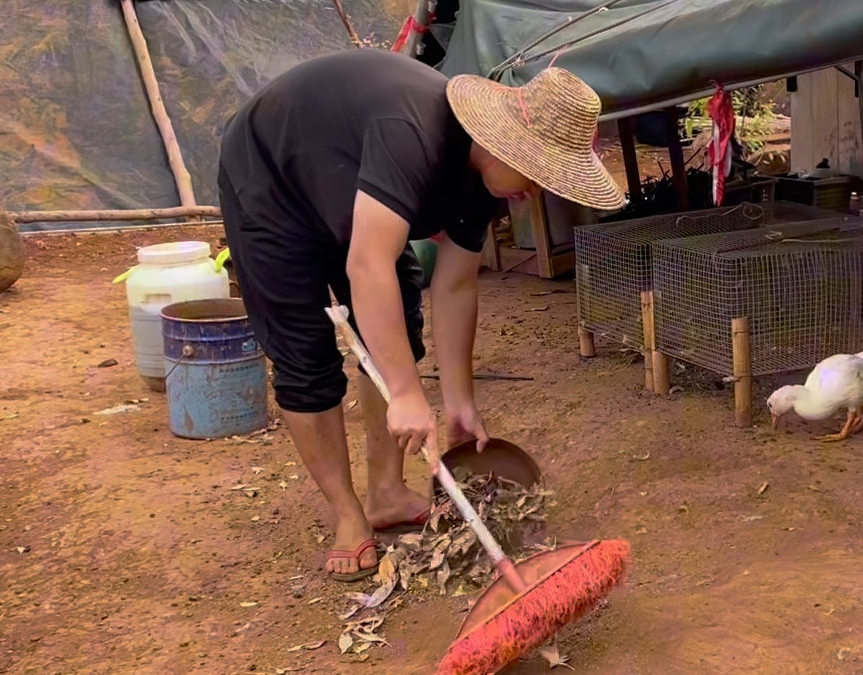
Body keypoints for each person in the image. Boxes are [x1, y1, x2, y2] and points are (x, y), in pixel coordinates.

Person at [218, 49, 624, 581]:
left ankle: (386, 492)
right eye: (538, 171)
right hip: (270, 179)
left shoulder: (492, 179)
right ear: (502, 142)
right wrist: (406, 394)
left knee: (396, 321)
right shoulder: (413, 134)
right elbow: (367, 264)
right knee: (305, 359)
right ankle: (348, 513)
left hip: (347, 188)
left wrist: (458, 400)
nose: (539, 191)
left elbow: (454, 284)